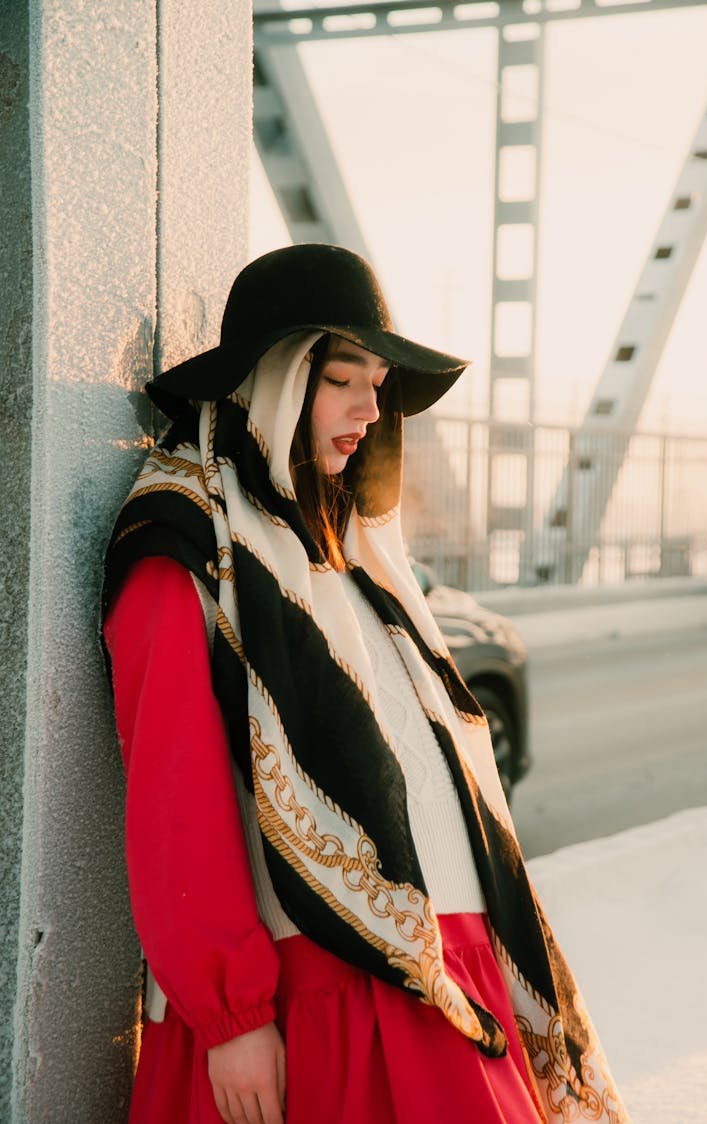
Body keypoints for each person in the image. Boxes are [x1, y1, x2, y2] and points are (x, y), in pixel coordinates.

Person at [102, 244, 629, 1124]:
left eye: (378, 382)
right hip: (309, 1003)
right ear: (278, 380)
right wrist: (230, 1016)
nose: (372, 407)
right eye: (345, 378)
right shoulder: (183, 550)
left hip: (441, 981)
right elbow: (173, 795)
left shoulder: (353, 557)